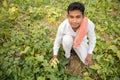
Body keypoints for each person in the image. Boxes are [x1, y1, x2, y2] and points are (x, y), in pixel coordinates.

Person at [50, 2, 96, 66]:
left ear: (83, 17)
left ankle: (75, 49)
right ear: (67, 17)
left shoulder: (89, 24)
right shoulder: (63, 26)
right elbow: (57, 41)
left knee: (87, 63)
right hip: (68, 40)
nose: (74, 21)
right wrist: (55, 56)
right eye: (71, 17)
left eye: (78, 17)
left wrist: (89, 53)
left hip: (80, 41)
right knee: (67, 39)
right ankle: (67, 56)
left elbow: (92, 39)